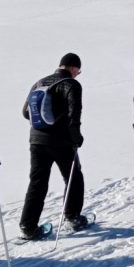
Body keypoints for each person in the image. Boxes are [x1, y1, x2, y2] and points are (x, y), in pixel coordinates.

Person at [19, 53, 88, 239]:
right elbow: (75, 112)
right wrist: (76, 136)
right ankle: (72, 217)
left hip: (36, 140)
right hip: (61, 141)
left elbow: (26, 112)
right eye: (78, 71)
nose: (77, 75)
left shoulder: (40, 83)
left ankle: (28, 226)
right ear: (73, 68)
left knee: (37, 182)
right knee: (74, 177)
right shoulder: (71, 84)